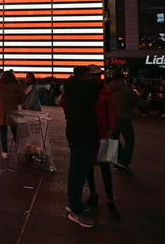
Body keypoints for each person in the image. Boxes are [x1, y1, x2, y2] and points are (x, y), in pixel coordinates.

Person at [62, 66, 101, 228]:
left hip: (75, 133)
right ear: (82, 76)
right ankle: (76, 210)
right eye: (89, 76)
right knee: (79, 172)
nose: (91, 79)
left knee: (76, 170)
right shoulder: (81, 91)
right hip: (81, 134)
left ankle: (74, 203)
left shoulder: (71, 90)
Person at [85, 65, 120, 221]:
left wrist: (112, 128)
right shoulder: (86, 91)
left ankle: (109, 196)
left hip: (103, 133)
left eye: (98, 75)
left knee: (105, 165)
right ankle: (94, 193)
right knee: (89, 166)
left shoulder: (104, 92)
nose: (96, 78)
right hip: (91, 132)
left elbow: (110, 111)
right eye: (93, 75)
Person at [108, 73, 146, 173]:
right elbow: (139, 103)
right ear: (121, 79)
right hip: (123, 117)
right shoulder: (127, 92)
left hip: (111, 118)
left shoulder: (107, 90)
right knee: (129, 140)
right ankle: (123, 161)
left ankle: (116, 160)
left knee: (114, 139)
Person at [0, 70, 25, 159]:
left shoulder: (0, 82)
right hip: (13, 109)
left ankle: (5, 152)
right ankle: (18, 149)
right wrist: (17, 100)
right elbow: (23, 95)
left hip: (2, 110)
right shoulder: (16, 83)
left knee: (3, 132)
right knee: (15, 132)